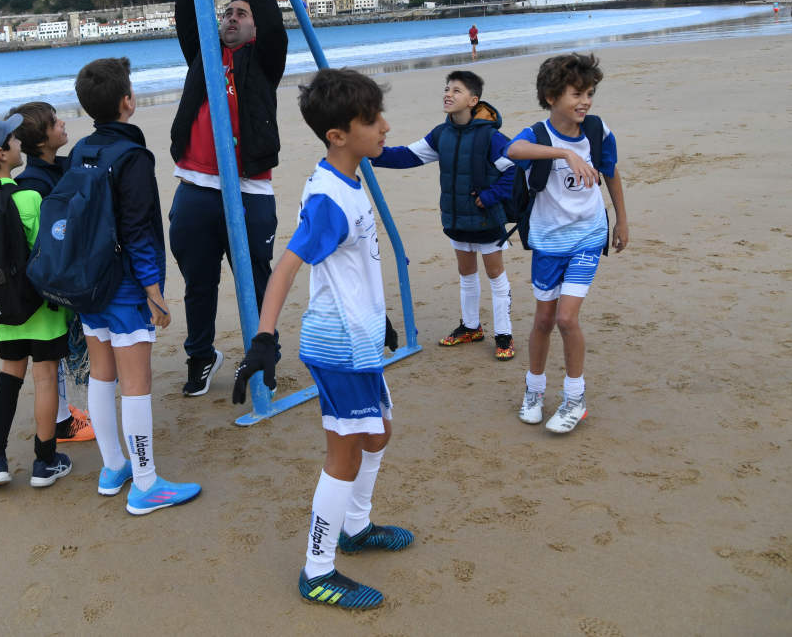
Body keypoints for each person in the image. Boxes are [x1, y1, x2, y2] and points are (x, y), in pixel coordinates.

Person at [234, 67, 412, 611]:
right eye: (370, 119)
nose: (384, 126)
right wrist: (264, 339)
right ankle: (317, 569)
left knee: (378, 433)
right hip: (337, 348)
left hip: (358, 338)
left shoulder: (351, 180)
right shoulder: (330, 200)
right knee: (345, 453)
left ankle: (354, 528)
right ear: (338, 134)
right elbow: (286, 268)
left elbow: (348, 266)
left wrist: (375, 314)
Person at [70, 57, 201, 514]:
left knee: (102, 375)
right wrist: (154, 291)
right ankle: (145, 484)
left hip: (89, 285)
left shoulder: (80, 151)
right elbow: (139, 231)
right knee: (136, 383)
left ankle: (113, 467)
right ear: (128, 101)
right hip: (125, 287)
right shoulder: (133, 157)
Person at [171, 0, 288, 397]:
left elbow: (276, 27)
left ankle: (264, 356)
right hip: (198, 186)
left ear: (255, 27)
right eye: (227, 13)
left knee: (257, 281)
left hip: (249, 187)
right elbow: (185, 12)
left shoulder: (263, 62)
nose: (231, 18)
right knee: (198, 282)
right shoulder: (202, 54)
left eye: (241, 14)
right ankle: (201, 357)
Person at [503, 53, 629, 435]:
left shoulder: (597, 130)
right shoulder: (538, 135)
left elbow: (611, 173)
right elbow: (512, 151)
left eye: (589, 93)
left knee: (565, 318)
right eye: (576, 93)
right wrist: (564, 152)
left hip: (587, 237)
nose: (585, 101)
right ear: (551, 96)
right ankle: (534, 390)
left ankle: (575, 398)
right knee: (542, 320)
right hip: (547, 241)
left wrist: (622, 219)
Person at [371, 69, 517, 358]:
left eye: (457, 90)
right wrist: (371, 153)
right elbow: (408, 155)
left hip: (487, 219)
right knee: (466, 273)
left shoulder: (492, 137)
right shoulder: (441, 134)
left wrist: (489, 196)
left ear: (473, 100)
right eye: (447, 89)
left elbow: (514, 171)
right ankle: (471, 326)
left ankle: (504, 335)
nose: (448, 94)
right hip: (456, 218)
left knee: (495, 274)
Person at [0, 115, 74, 489]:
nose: (18, 143)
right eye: (12, 139)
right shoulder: (29, 198)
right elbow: (48, 251)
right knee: (44, 378)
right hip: (39, 306)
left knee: (9, 375)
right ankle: (45, 461)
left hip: (3, 307)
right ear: (2, 153)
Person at [8, 101, 94, 445]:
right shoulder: (33, 184)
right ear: (42, 140)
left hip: (57, 277)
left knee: (56, 353)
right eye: (55, 122)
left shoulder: (58, 167)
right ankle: (60, 422)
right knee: (51, 354)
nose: (62, 123)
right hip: (49, 282)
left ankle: (61, 415)